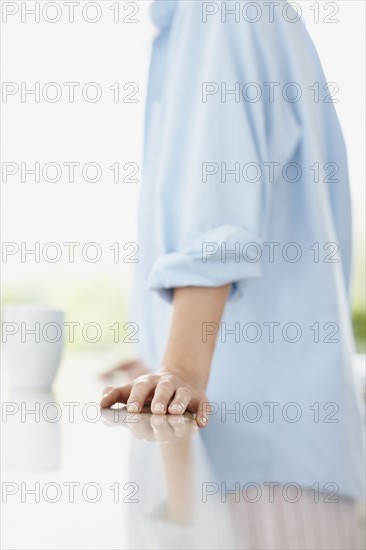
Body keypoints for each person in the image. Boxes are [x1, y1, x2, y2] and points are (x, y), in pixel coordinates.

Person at [101, 0, 364, 507]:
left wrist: (182, 369)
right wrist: (159, 353)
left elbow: (219, 225)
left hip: (260, 468)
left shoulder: (221, 11)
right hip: (273, 457)